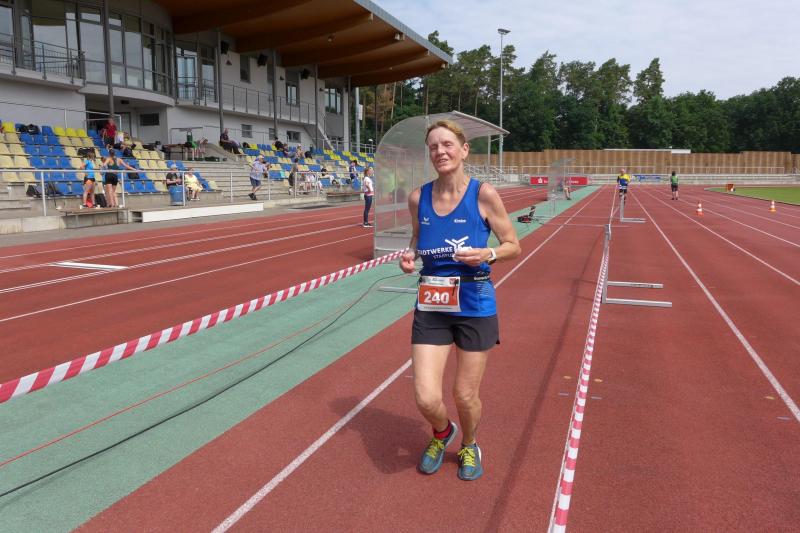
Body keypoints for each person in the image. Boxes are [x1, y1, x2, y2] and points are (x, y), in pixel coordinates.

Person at [398, 120, 521, 481]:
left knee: (465, 395)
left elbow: (513, 245)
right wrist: (410, 255)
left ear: (464, 150)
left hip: (474, 303)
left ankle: (469, 443)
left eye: (447, 144)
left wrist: (488, 254)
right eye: (434, 146)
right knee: (425, 397)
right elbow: (417, 239)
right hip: (433, 304)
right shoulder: (418, 198)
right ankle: (442, 432)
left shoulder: (484, 195)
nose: (440, 151)